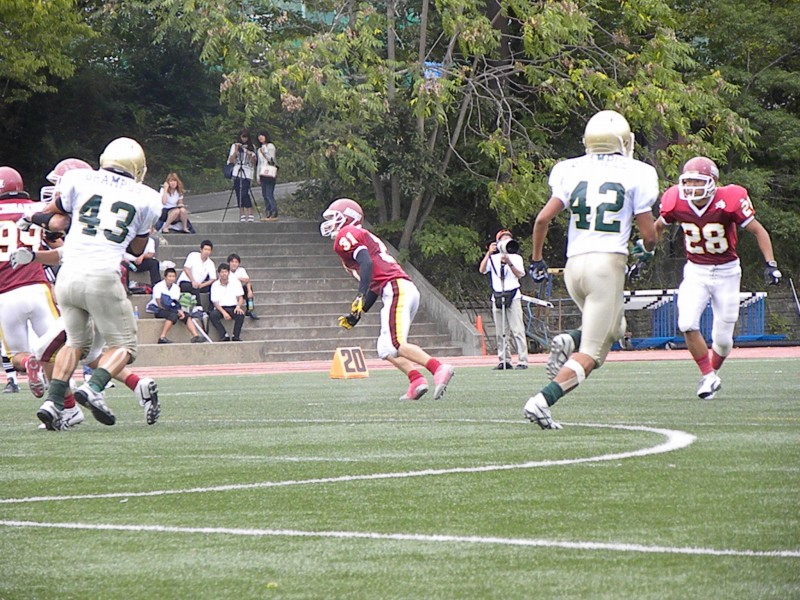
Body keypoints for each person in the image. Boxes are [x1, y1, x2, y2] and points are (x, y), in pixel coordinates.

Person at [523, 110, 658, 430]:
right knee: (594, 353)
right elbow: (649, 235)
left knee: (615, 326)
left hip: (574, 267)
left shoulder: (569, 169)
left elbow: (542, 219)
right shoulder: (638, 172)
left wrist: (537, 260)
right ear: (624, 141)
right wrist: (646, 251)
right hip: (606, 266)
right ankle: (542, 401)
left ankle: (569, 340)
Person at [30, 137, 163, 431]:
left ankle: (54, 402)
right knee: (124, 346)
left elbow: (55, 216)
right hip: (102, 275)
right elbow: (138, 249)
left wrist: (32, 218)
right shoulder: (149, 198)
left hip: (68, 276)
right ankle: (94, 387)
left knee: (75, 343)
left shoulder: (78, 179)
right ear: (138, 167)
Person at [651, 156, 781, 400]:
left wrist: (771, 264)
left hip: (727, 272)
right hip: (696, 270)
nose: (691, 187)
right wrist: (644, 254)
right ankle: (708, 376)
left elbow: (758, 230)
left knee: (722, 340)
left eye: (697, 182)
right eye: (688, 182)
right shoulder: (675, 199)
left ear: (712, 182)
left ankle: (712, 374)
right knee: (686, 323)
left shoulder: (729, 199)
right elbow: (657, 227)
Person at [11, 243, 161, 428]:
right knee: (91, 356)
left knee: (45, 351)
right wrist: (34, 255)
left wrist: (34, 252)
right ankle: (138, 385)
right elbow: (63, 251)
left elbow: (62, 246)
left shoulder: (91, 236)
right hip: (91, 291)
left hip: (89, 293)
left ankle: (68, 407)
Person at [320, 197, 455, 401]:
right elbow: (374, 284)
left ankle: (438, 368)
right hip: (397, 288)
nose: (330, 223)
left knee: (396, 343)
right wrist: (358, 313)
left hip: (395, 288)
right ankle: (416, 380)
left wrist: (359, 295)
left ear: (347, 218)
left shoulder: (347, 234)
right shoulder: (358, 236)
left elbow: (366, 264)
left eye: (334, 218)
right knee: (385, 348)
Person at [0, 166, 59, 391]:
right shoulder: (37, 208)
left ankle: (28, 363)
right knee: (56, 351)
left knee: (16, 356)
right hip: (38, 288)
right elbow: (56, 241)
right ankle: (63, 399)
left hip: (5, 294)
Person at [479, 229, 529, 370]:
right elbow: (482, 270)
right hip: (497, 295)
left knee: (517, 329)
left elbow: (520, 274)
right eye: (503, 239)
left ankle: (523, 360)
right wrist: (489, 253)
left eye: (508, 239)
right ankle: (504, 360)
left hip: (513, 295)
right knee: (501, 331)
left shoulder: (516, 258)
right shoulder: (493, 258)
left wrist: (509, 262)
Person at [147, 267, 206, 343]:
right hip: (159, 309)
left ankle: (195, 336)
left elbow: (175, 302)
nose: (171, 278)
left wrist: (179, 311)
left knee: (186, 315)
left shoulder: (176, 288)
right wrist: (175, 311)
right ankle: (162, 337)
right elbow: (159, 302)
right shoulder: (158, 286)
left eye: (173, 276)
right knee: (173, 315)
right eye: (169, 276)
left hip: (172, 308)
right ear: (165, 277)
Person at [208, 263, 246, 341]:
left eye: (226, 272)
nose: (224, 274)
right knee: (213, 315)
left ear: (228, 272)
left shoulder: (236, 282)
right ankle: (224, 335)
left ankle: (236, 336)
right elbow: (215, 302)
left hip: (233, 307)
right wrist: (224, 313)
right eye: (222, 272)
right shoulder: (215, 285)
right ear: (218, 273)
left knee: (240, 315)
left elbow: (240, 297)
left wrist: (238, 307)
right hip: (220, 308)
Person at [227, 129, 257, 222]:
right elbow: (231, 160)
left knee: (245, 193)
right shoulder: (235, 146)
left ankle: (250, 212)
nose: (244, 139)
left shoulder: (252, 147)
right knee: (238, 194)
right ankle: (241, 213)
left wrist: (248, 153)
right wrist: (236, 150)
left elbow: (254, 162)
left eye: (246, 137)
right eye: (243, 137)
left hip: (247, 173)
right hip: (237, 172)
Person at [177, 239, 216, 312]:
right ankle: (199, 307)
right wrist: (193, 281)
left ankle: (211, 309)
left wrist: (202, 285)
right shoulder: (193, 255)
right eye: (205, 249)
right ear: (201, 249)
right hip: (186, 282)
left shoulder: (210, 263)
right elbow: (186, 268)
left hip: (199, 285)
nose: (207, 252)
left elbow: (213, 279)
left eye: (209, 250)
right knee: (194, 287)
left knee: (214, 286)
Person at [227, 253, 259, 319]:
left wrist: (249, 291)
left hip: (239, 290)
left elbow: (247, 280)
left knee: (248, 290)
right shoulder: (225, 271)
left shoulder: (241, 270)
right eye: (232, 262)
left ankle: (250, 309)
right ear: (229, 263)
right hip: (229, 291)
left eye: (236, 262)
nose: (234, 264)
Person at [256, 130, 278, 221]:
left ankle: (274, 212)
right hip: (262, 173)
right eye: (259, 136)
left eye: (262, 135)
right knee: (264, 194)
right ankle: (268, 212)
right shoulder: (259, 149)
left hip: (269, 172)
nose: (260, 137)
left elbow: (271, 160)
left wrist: (264, 152)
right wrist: (257, 176)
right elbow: (259, 163)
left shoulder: (270, 146)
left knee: (269, 193)